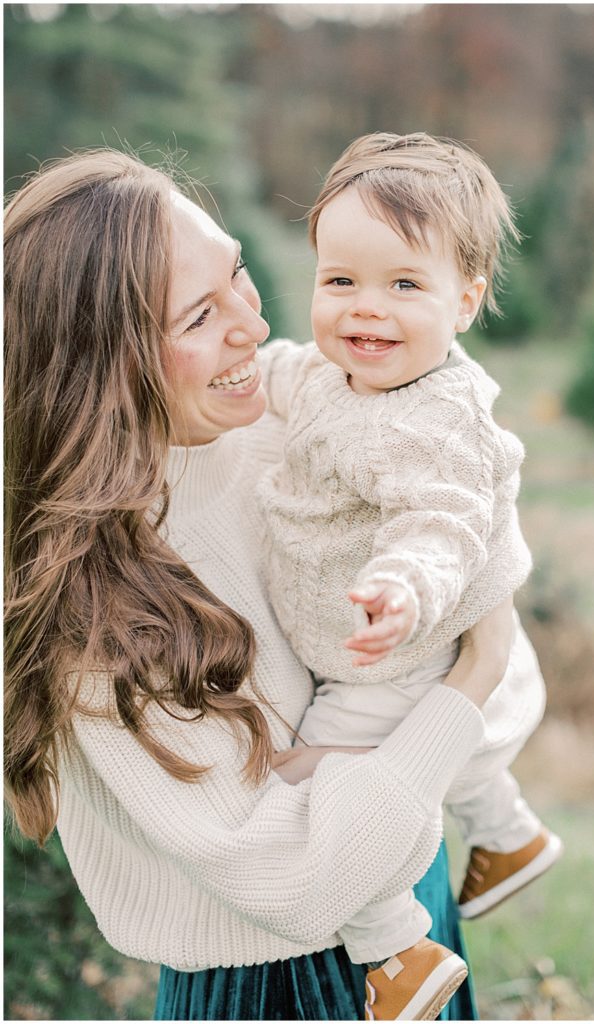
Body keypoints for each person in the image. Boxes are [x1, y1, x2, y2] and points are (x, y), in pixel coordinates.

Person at [4, 148, 515, 1023]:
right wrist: (476, 675)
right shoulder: (96, 612)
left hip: (412, 903)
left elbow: (458, 512)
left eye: (237, 273)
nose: (251, 322)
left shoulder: (281, 426)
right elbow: (295, 875)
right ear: (104, 362)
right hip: (275, 981)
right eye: (199, 315)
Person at [256, 132, 563, 1020]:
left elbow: (441, 525)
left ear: (464, 301)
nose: (366, 309)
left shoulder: (434, 424)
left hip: (390, 657)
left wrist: (402, 587)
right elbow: (281, 374)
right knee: (424, 774)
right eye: (340, 281)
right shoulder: (330, 373)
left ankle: (393, 950)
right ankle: (504, 833)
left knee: (313, 789)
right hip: (368, 647)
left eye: (403, 285)